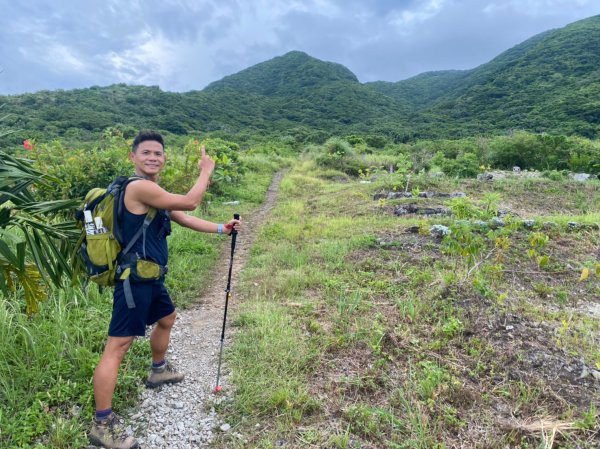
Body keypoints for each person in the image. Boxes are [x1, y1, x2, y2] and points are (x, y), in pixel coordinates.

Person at [89, 130, 240, 449]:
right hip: (135, 282)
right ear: (133, 157)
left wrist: (219, 229)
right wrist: (206, 171)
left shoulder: (152, 190)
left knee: (167, 317)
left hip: (150, 277)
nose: (153, 157)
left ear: (164, 158)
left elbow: (181, 215)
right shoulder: (139, 187)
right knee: (118, 346)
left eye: (158, 153)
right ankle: (102, 423)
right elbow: (190, 201)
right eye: (146, 152)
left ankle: (158, 370)